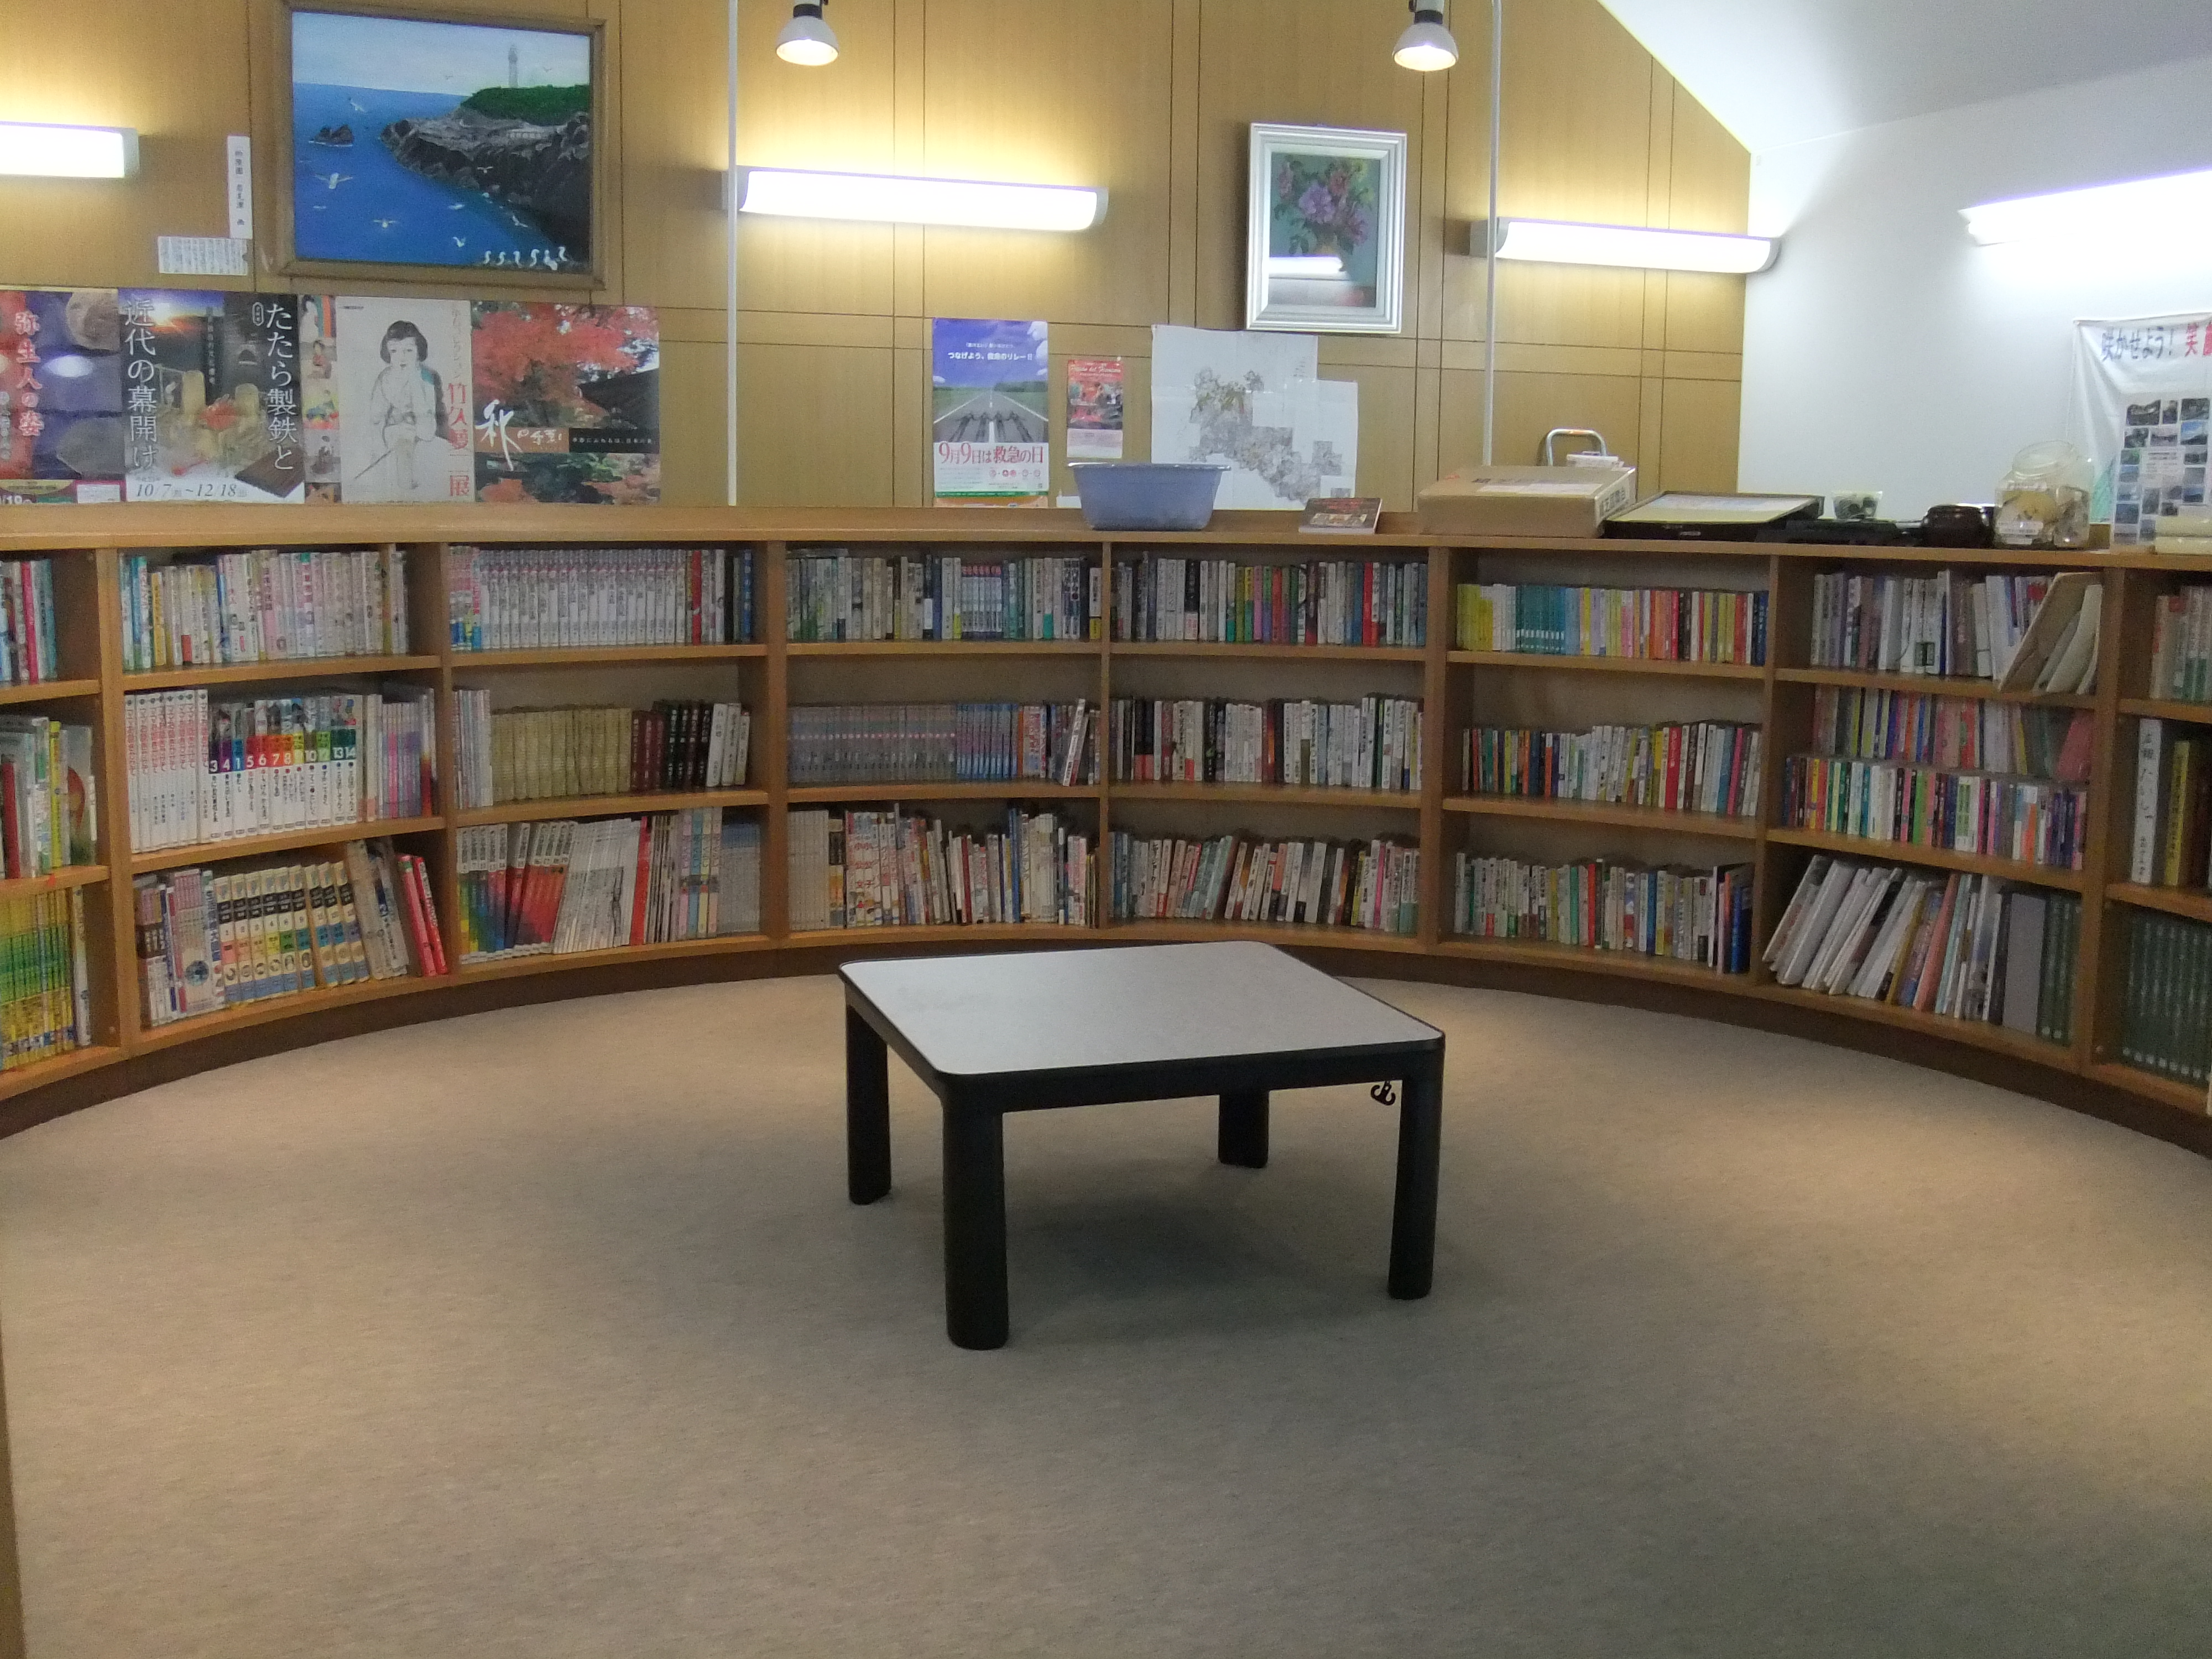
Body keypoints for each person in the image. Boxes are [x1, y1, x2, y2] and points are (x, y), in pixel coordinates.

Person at [361, 320, 450, 498]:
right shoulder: (385, 378)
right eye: (394, 351)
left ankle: (408, 490)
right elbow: (376, 416)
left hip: (424, 433)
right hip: (393, 432)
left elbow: (427, 424)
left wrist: (415, 380)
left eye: (408, 350)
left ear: (419, 352)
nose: (401, 357)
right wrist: (378, 441)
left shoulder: (427, 376)